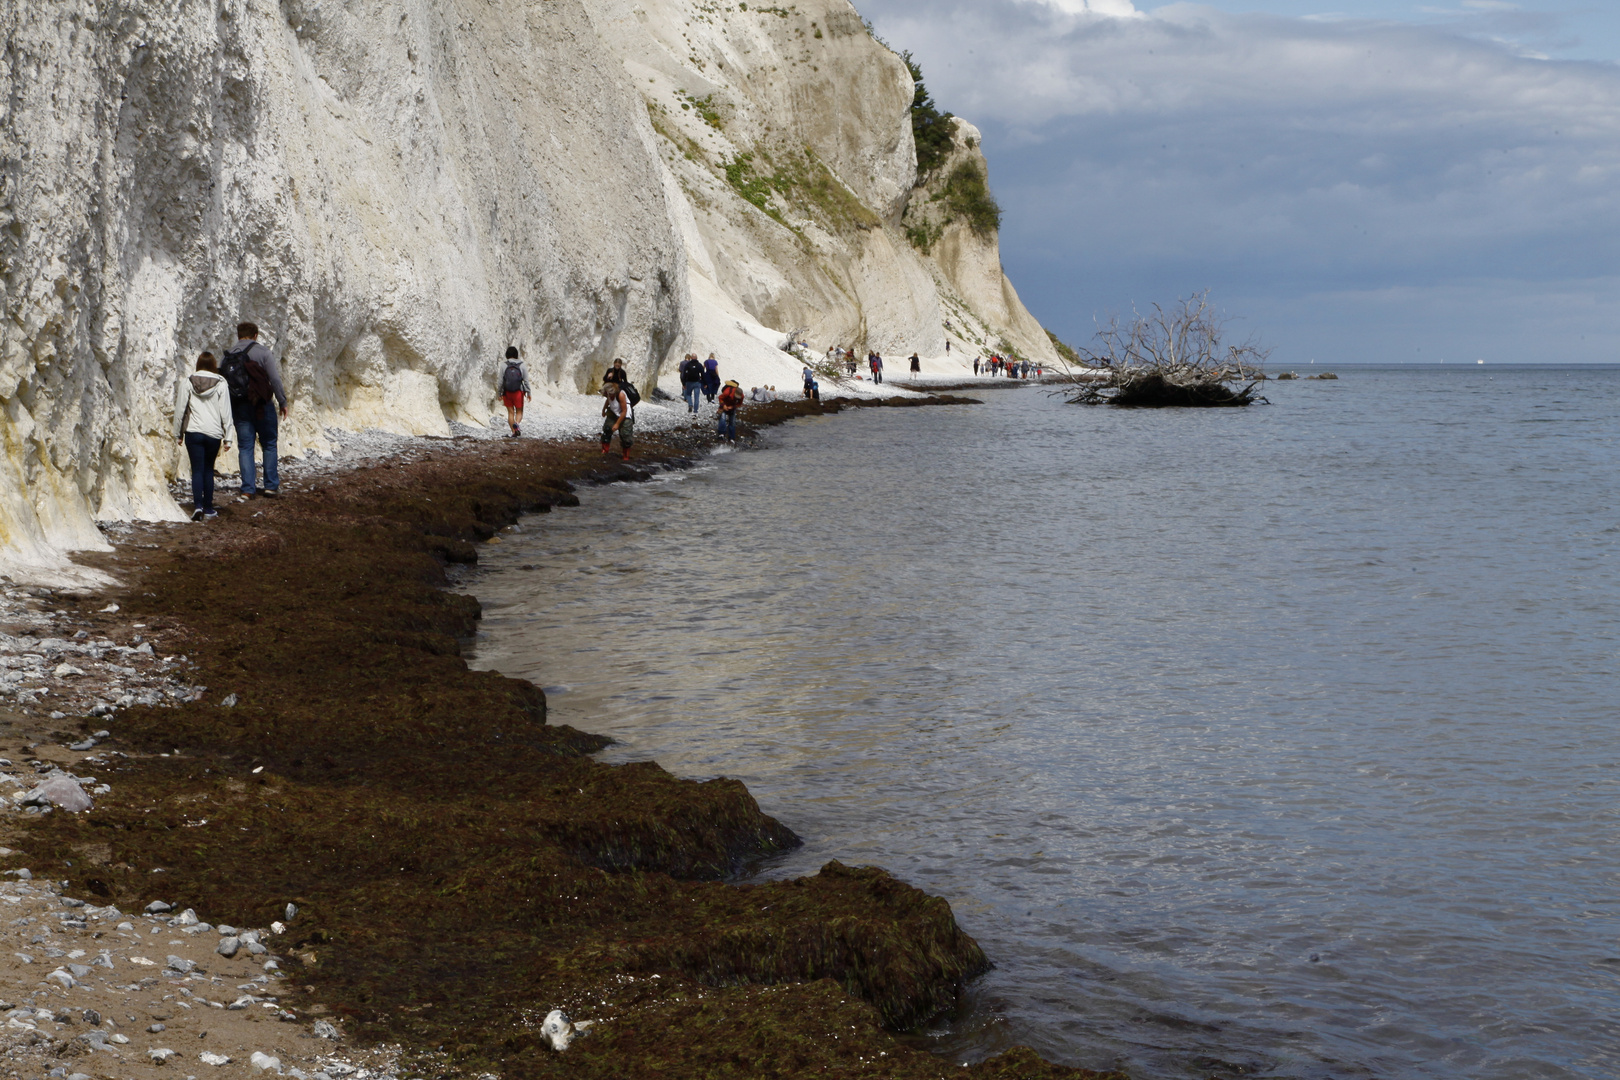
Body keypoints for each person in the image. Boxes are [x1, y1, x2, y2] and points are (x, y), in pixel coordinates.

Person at [221, 321, 288, 499]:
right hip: (262, 404)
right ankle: (270, 486)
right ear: (256, 335)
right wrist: (282, 401)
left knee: (245, 447)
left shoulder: (228, 356)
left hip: (240, 406)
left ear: (238, 335)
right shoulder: (263, 352)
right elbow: (274, 379)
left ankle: (248, 489)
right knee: (269, 443)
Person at [173, 352, 234, 521]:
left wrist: (178, 433)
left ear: (198, 364)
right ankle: (208, 508)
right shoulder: (221, 383)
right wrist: (228, 437)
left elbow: (180, 410)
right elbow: (226, 412)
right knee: (208, 469)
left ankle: (197, 506)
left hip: (193, 432)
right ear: (214, 365)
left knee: (197, 469)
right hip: (213, 433)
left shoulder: (188, 382)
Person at [499, 347, 531, 437]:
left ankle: (513, 432)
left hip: (507, 392)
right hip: (518, 392)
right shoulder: (522, 365)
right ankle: (516, 424)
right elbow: (526, 380)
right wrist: (528, 393)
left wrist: (499, 393)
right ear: (516, 355)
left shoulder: (503, 365)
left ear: (507, 355)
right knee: (519, 411)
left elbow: (500, 381)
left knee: (510, 413)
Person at [600, 380, 633, 461]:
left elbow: (624, 411)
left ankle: (626, 456)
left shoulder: (621, 394)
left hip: (624, 415)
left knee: (625, 436)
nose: (608, 396)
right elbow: (608, 400)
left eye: (609, 394)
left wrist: (617, 424)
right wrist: (604, 410)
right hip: (613, 412)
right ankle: (605, 450)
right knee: (607, 429)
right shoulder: (608, 394)